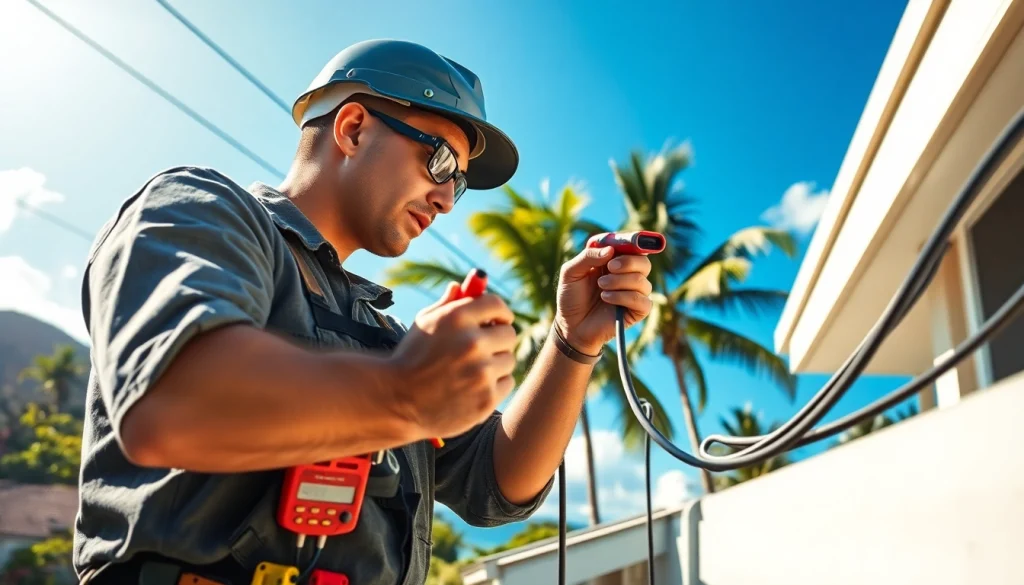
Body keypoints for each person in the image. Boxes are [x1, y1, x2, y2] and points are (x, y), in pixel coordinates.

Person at [73, 39, 653, 585]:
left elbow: (497, 482)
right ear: (352, 129)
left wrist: (572, 341)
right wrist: (405, 394)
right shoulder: (201, 210)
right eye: (442, 161)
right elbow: (172, 402)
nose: (448, 198)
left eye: (461, 185)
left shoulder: (385, 338)